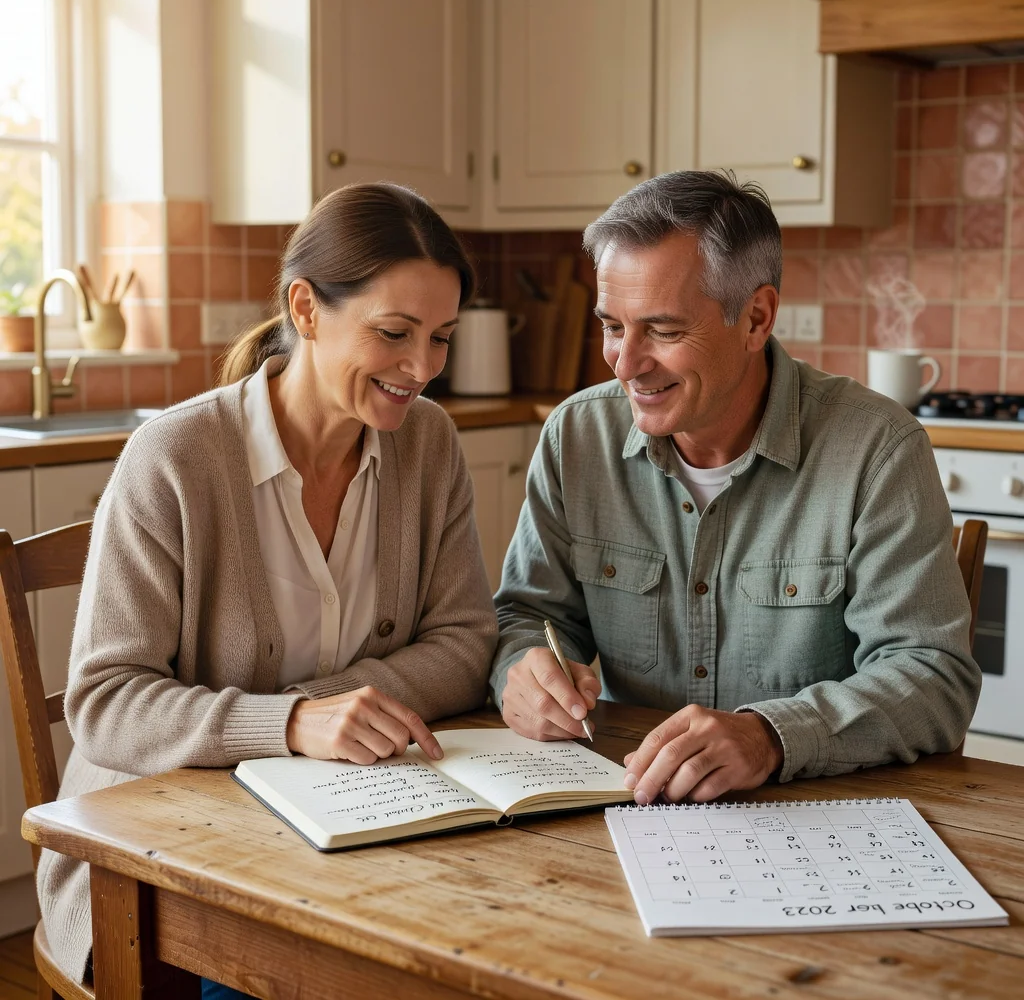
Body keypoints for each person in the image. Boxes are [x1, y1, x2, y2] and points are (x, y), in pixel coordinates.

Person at [38, 183, 498, 991]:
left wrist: (333, 714)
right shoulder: (175, 458)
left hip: (354, 831)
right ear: (307, 308)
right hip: (167, 867)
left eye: (441, 339)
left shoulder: (429, 444)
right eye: (393, 333)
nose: (421, 369)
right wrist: (290, 725)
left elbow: (465, 643)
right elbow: (106, 703)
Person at [491, 169, 981, 810]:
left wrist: (771, 737)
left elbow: (932, 677)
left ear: (756, 318)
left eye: (663, 331)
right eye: (613, 325)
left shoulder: (876, 448)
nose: (624, 362)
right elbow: (528, 616)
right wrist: (523, 671)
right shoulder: (575, 436)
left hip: (821, 824)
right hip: (619, 807)